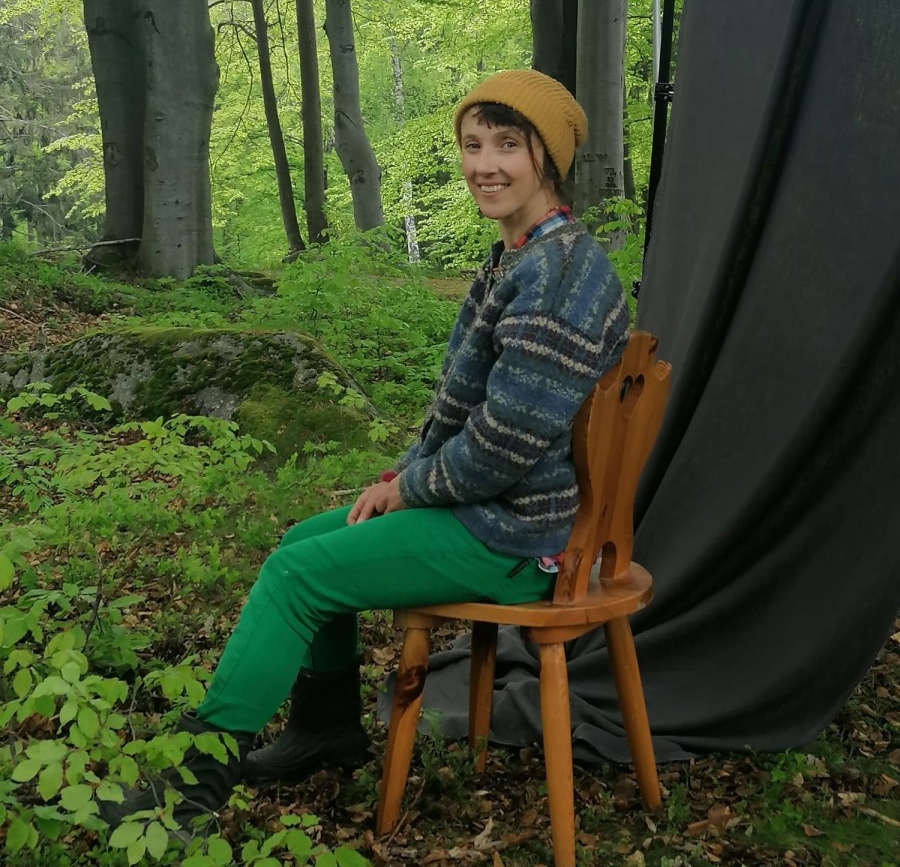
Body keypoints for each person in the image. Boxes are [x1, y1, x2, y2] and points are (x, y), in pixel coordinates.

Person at [100, 69, 629, 834]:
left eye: (507, 145)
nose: (484, 164)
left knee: (295, 576)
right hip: (504, 513)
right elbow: (463, 419)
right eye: (472, 144)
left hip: (516, 537)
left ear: (547, 156)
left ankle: (192, 785)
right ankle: (326, 730)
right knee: (302, 542)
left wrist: (410, 490)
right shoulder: (525, 257)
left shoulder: (556, 279)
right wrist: (400, 475)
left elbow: (502, 447)